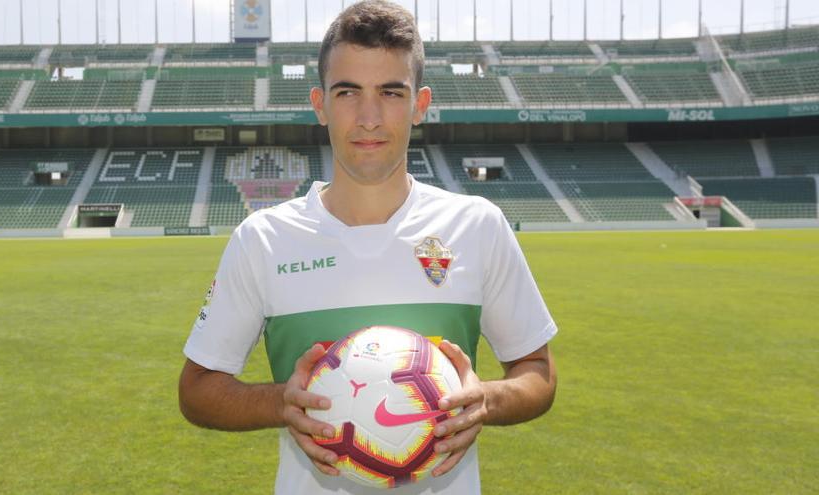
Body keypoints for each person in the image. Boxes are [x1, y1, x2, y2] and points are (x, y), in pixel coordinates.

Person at [178, 1, 558, 493]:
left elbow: (538, 372)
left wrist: (486, 399)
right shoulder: (263, 240)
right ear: (320, 104)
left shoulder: (477, 225)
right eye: (348, 92)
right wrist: (280, 402)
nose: (370, 117)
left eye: (391, 93)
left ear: (420, 105)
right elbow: (197, 391)